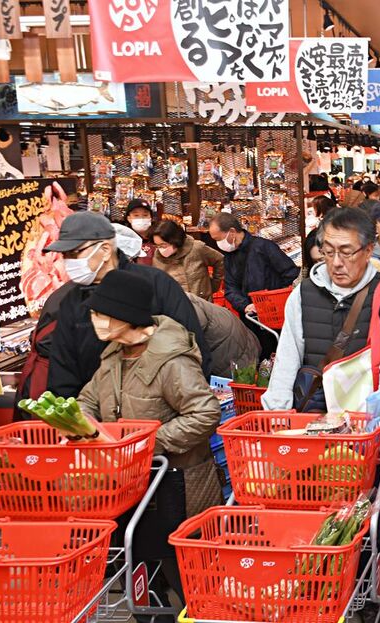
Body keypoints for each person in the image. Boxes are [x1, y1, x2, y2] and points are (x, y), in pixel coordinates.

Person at [259, 208, 380, 585]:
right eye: (328, 250)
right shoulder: (302, 294)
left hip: (365, 427)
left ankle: (367, 582)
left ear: (369, 251)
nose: (336, 261)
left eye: (347, 252)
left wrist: (379, 421)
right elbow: (287, 357)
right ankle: (318, 580)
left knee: (369, 506)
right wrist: (278, 419)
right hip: (311, 420)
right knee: (310, 502)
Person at [77, 270, 222, 620]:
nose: (93, 320)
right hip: (133, 485)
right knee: (139, 569)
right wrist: (80, 423)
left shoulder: (171, 361)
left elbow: (205, 413)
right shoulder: (114, 353)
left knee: (185, 573)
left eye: (101, 313)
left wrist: (147, 443)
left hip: (178, 484)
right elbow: (88, 398)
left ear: (125, 315)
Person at [45, 211, 209, 398]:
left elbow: (192, 343)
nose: (68, 262)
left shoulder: (154, 284)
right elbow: (63, 368)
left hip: (159, 412)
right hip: (99, 415)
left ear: (106, 249)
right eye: (64, 255)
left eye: (74, 253)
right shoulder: (70, 301)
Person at [208, 212, 300, 358]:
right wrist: (245, 305)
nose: (218, 244)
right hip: (250, 318)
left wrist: (272, 297)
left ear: (232, 232)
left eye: (218, 239)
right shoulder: (229, 257)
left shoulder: (263, 247)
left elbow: (290, 273)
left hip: (275, 317)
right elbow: (230, 288)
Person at [186, 293, 260, 378]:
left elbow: (197, 325)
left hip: (230, 348)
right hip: (236, 341)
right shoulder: (181, 297)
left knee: (242, 381)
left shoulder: (181, 303)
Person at [151, 220, 224, 301]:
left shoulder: (196, 248)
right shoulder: (157, 257)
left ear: (175, 240)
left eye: (163, 245)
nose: (160, 249)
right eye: (157, 246)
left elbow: (220, 260)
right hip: (175, 304)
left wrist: (214, 285)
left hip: (202, 302)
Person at [123, 198, 156, 265]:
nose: (141, 218)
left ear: (151, 218)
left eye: (145, 215)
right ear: (129, 218)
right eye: (136, 215)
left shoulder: (158, 238)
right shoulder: (124, 240)